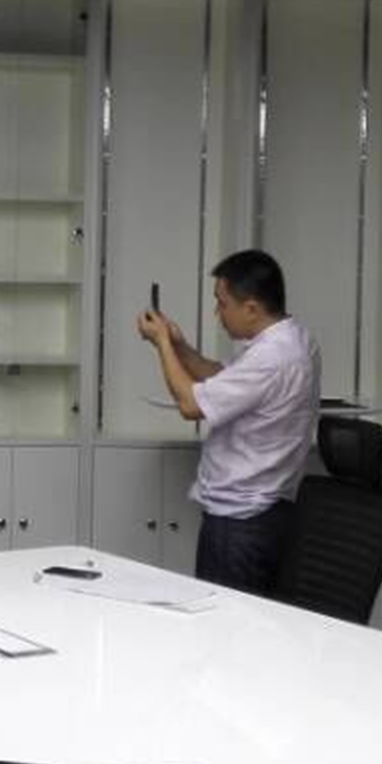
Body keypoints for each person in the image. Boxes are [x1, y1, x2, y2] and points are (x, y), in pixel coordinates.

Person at [137, 249, 319, 594]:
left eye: (222, 304)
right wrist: (179, 347)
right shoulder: (292, 338)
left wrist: (161, 344)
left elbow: (191, 404)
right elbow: (224, 380)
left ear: (251, 308)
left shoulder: (274, 357)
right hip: (252, 514)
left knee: (225, 620)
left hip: (242, 524)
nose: (217, 313)